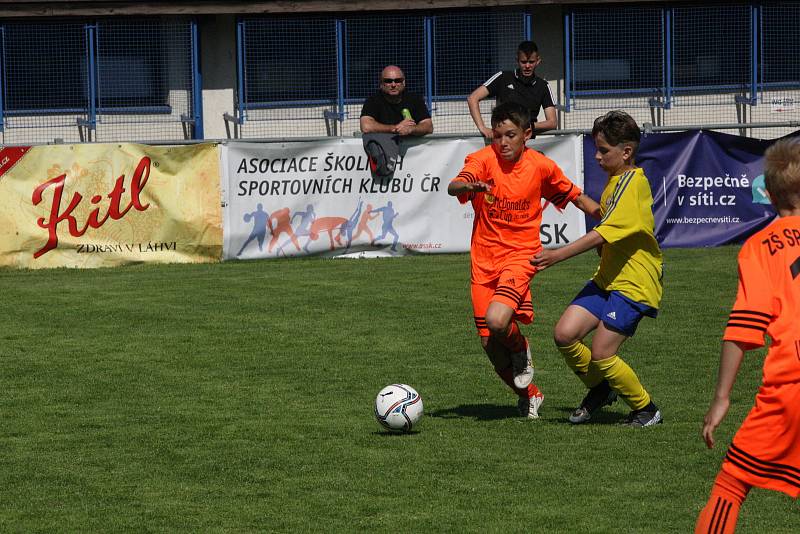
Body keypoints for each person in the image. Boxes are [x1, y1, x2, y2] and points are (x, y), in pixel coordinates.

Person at [448, 102, 600, 419]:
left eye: (510, 135)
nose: (502, 142)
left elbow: (575, 196)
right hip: (483, 263)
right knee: (490, 345)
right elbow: (455, 185)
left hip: (520, 257)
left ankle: (520, 348)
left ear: (527, 134)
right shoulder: (482, 160)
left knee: (497, 321)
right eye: (497, 135)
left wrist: (607, 217)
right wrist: (467, 185)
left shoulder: (540, 166)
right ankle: (530, 394)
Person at [531, 110, 663, 427]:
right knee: (564, 334)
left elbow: (601, 234)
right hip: (608, 279)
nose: (597, 155)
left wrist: (556, 255)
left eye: (604, 150)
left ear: (626, 151)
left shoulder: (633, 185)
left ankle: (646, 410)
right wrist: (573, 195)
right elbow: (604, 218)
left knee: (602, 352)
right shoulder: (616, 182)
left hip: (633, 284)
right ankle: (601, 389)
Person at [694, 138, 800, 534]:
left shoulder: (759, 247)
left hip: (790, 387)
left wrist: (721, 398)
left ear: (768, 195)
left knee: (731, 484)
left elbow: (744, 328)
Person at [467, 41, 557, 140]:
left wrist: (529, 126)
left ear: (538, 61)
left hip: (527, 144)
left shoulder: (543, 86)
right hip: (501, 143)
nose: (527, 66)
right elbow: (473, 98)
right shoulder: (503, 77)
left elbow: (552, 122)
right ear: (517, 60)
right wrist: (482, 127)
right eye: (523, 62)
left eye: (531, 62)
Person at [360, 66, 433, 177]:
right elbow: (365, 126)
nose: (393, 84)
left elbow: (428, 126)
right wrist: (395, 128)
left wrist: (411, 129)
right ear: (381, 83)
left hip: (415, 165)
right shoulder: (373, 100)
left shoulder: (415, 99)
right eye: (388, 81)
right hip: (383, 159)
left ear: (404, 82)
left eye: (397, 80)